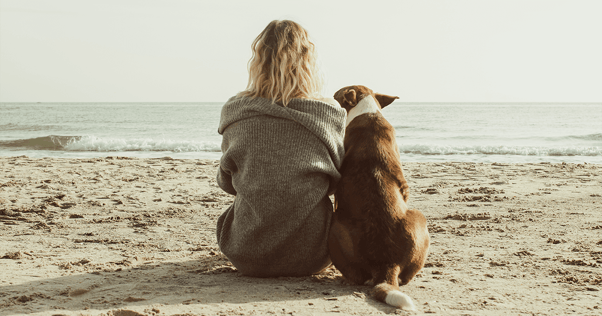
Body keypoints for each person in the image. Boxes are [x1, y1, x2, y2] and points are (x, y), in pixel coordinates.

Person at [215, 20, 346, 277]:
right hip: (313, 255)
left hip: (246, 254)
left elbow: (226, 182)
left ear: (258, 61)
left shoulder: (235, 112)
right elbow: (335, 182)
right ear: (309, 61)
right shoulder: (328, 113)